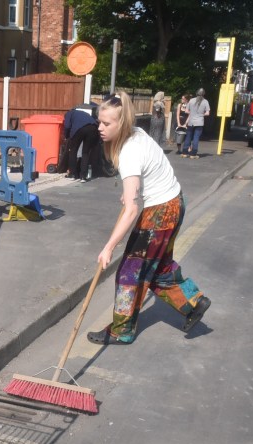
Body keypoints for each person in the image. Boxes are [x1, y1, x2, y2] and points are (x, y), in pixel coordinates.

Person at [86, 92, 210, 346]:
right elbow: (150, 169)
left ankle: (122, 330)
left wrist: (109, 247)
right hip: (175, 203)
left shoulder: (130, 152)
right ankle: (194, 302)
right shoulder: (137, 133)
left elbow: (132, 210)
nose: (100, 128)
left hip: (160, 213)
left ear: (121, 123)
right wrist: (129, 193)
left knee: (129, 273)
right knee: (158, 268)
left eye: (106, 124)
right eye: (99, 122)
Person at [59, 103, 100, 181]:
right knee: (86, 152)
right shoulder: (83, 113)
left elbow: (67, 126)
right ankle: (83, 177)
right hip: (93, 128)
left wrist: (66, 137)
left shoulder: (69, 113)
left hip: (79, 129)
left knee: (73, 151)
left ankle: (73, 174)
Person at [180, 88, 210, 158]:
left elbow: (186, 111)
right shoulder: (205, 101)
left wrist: (193, 113)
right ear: (204, 94)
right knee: (196, 137)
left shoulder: (191, 100)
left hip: (191, 121)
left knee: (188, 136)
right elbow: (207, 113)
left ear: (196, 93)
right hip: (199, 122)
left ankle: (184, 152)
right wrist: (201, 114)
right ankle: (193, 154)